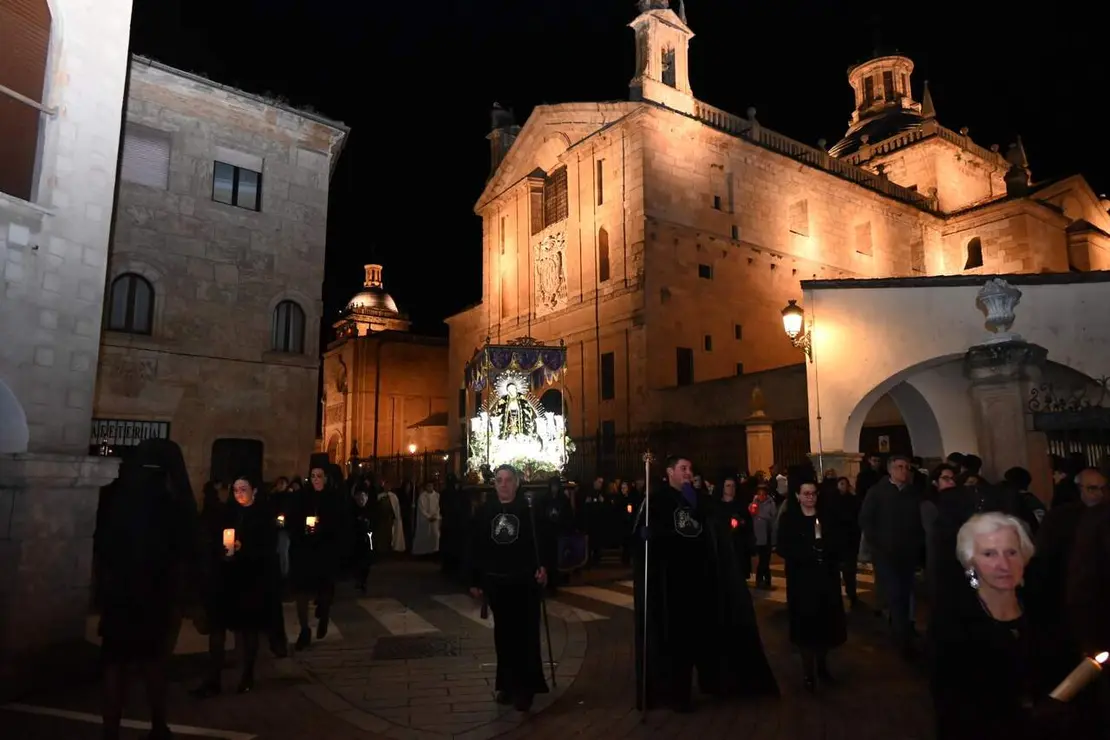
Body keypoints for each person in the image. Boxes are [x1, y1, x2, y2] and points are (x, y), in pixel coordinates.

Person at [634, 455, 777, 713]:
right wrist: (646, 536)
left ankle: (718, 684)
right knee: (678, 643)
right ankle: (677, 694)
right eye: (683, 468)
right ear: (669, 472)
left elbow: (714, 530)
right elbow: (646, 538)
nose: (688, 473)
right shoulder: (657, 502)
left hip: (702, 581)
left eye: (690, 468)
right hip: (674, 586)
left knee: (707, 637)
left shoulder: (700, 499)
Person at [94, 439, 198, 740]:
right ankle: (156, 725)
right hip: (153, 592)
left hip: (122, 590)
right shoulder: (170, 504)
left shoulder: (119, 496)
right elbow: (184, 549)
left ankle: (111, 729)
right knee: (151, 661)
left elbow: (103, 542)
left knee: (116, 662)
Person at [467, 465, 549, 711]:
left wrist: (544, 567)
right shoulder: (485, 512)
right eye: (499, 480)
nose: (503, 485)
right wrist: (474, 580)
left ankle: (526, 688)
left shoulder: (530, 512)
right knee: (503, 636)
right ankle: (507, 685)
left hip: (524, 582)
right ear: (494, 484)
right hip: (498, 582)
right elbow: (475, 547)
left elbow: (543, 541)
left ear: (517, 483)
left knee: (525, 635)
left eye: (508, 480)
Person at [191, 476, 278, 697]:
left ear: (254, 491)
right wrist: (222, 550)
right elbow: (214, 539)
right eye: (236, 489)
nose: (239, 493)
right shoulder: (227, 513)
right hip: (226, 579)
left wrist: (244, 547)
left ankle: (247, 673)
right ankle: (214, 678)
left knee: (248, 629)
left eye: (243, 489)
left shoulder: (263, 516)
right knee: (217, 628)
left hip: (250, 580)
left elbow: (268, 548)